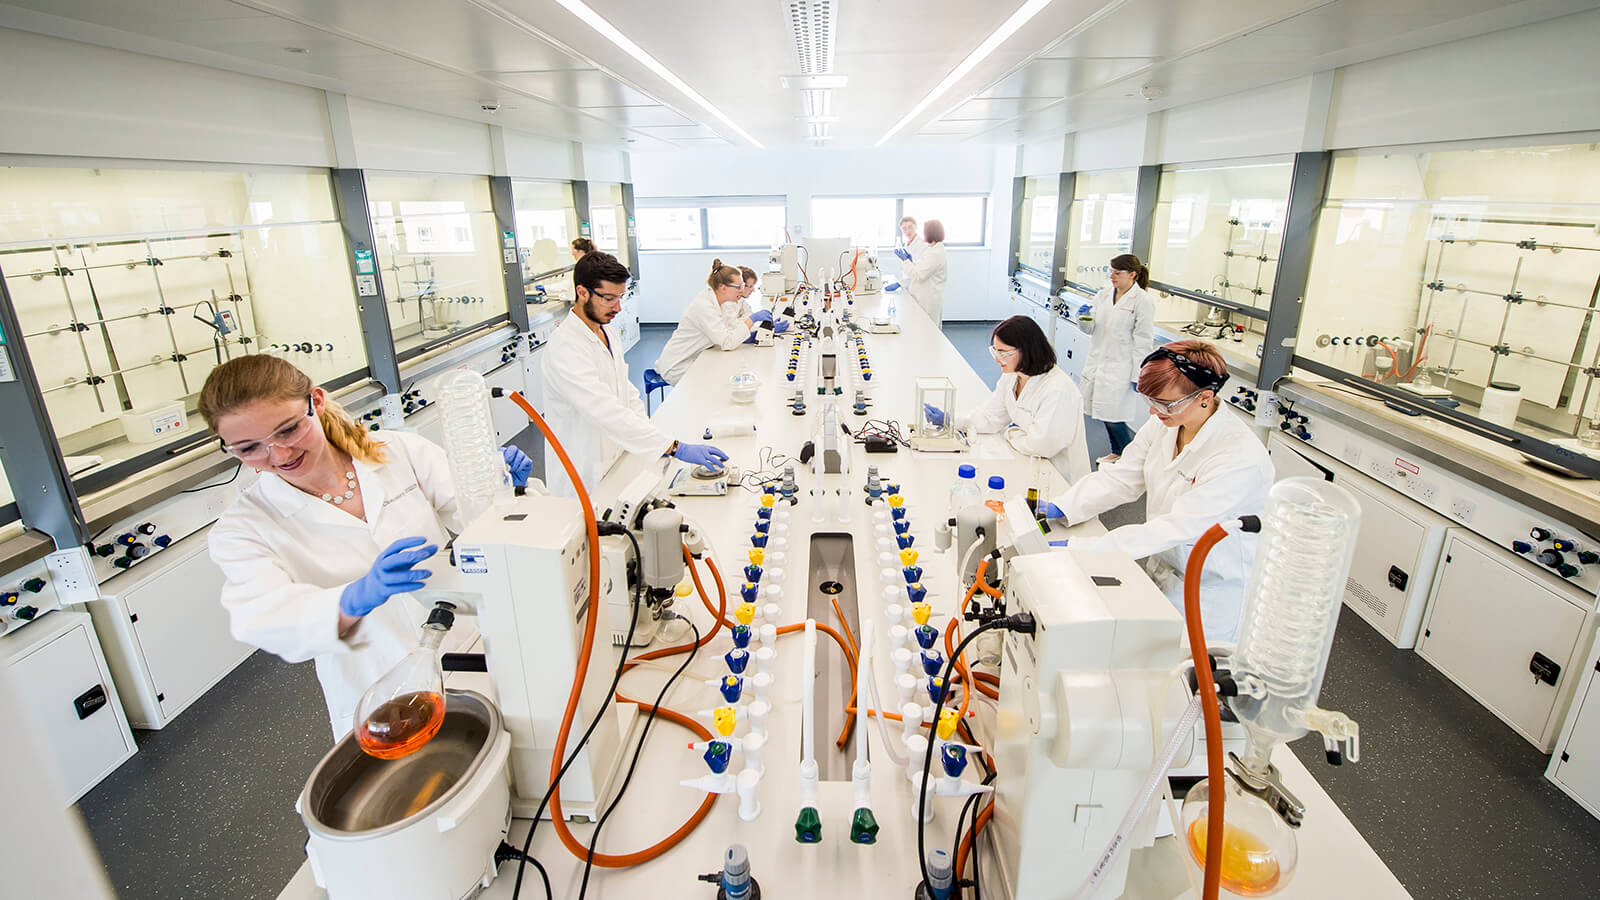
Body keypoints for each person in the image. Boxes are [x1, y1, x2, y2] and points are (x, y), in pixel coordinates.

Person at [200, 355, 535, 738]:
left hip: (470, 644)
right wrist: (352, 599)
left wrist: (505, 492)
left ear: (317, 402)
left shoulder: (398, 452)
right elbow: (264, 618)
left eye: (289, 429)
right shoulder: (244, 528)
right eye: (248, 449)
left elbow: (477, 520)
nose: (279, 455)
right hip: (378, 688)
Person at [1040, 341, 1274, 643]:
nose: (1153, 411)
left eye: (1165, 403)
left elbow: (1180, 526)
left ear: (1205, 397)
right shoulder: (1165, 424)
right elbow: (1123, 477)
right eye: (1151, 401)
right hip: (1163, 567)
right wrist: (1065, 505)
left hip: (1209, 591)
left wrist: (1085, 549)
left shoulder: (1239, 458)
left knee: (1190, 677)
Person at [542, 251, 727, 496]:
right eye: (609, 298)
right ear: (582, 292)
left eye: (620, 297)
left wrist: (652, 437)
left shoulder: (605, 331)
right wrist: (672, 447)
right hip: (585, 473)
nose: (618, 307)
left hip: (619, 456)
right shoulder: (565, 347)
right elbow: (603, 409)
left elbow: (626, 392)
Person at [923, 315, 1091, 480]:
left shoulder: (1058, 390)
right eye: (995, 351)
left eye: (1003, 353)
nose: (997, 359)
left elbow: (1040, 446)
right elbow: (990, 416)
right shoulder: (1013, 376)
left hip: (1058, 477)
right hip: (1028, 464)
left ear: (1027, 351)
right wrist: (950, 420)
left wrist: (1011, 432)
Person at [655, 260, 785, 384]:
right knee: (719, 383)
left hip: (695, 357)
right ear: (723, 288)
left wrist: (754, 333)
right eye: (739, 287)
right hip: (677, 365)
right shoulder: (704, 307)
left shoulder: (718, 302)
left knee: (725, 374)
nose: (741, 290)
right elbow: (727, 342)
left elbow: (729, 331)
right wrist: (752, 320)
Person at [1080, 253, 1155, 460]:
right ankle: (1119, 452)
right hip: (1098, 362)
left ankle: (1126, 455)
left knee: (1114, 416)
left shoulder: (1142, 301)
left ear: (1132, 274)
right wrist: (1083, 318)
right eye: (1111, 271)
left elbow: (1143, 341)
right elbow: (1091, 328)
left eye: (1117, 273)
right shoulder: (1103, 295)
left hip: (1120, 367)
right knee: (1105, 414)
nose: (1112, 276)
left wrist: (1138, 374)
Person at [897, 219, 949, 324]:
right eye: (904, 228)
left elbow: (919, 274)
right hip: (921, 295)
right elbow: (920, 268)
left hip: (928, 298)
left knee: (928, 331)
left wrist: (906, 261)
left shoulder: (935, 253)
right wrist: (910, 262)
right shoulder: (932, 249)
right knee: (921, 328)